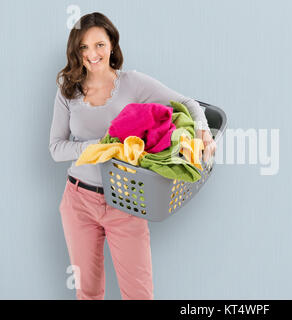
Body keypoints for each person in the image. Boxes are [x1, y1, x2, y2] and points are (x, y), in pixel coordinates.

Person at [48, 12, 216, 300]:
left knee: (139, 295)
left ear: (112, 44)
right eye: (84, 48)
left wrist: (203, 131)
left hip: (126, 202)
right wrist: (100, 146)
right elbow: (56, 148)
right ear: (76, 52)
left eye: (99, 44)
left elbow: (187, 103)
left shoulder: (133, 83)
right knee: (87, 293)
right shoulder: (68, 89)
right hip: (78, 201)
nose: (92, 54)